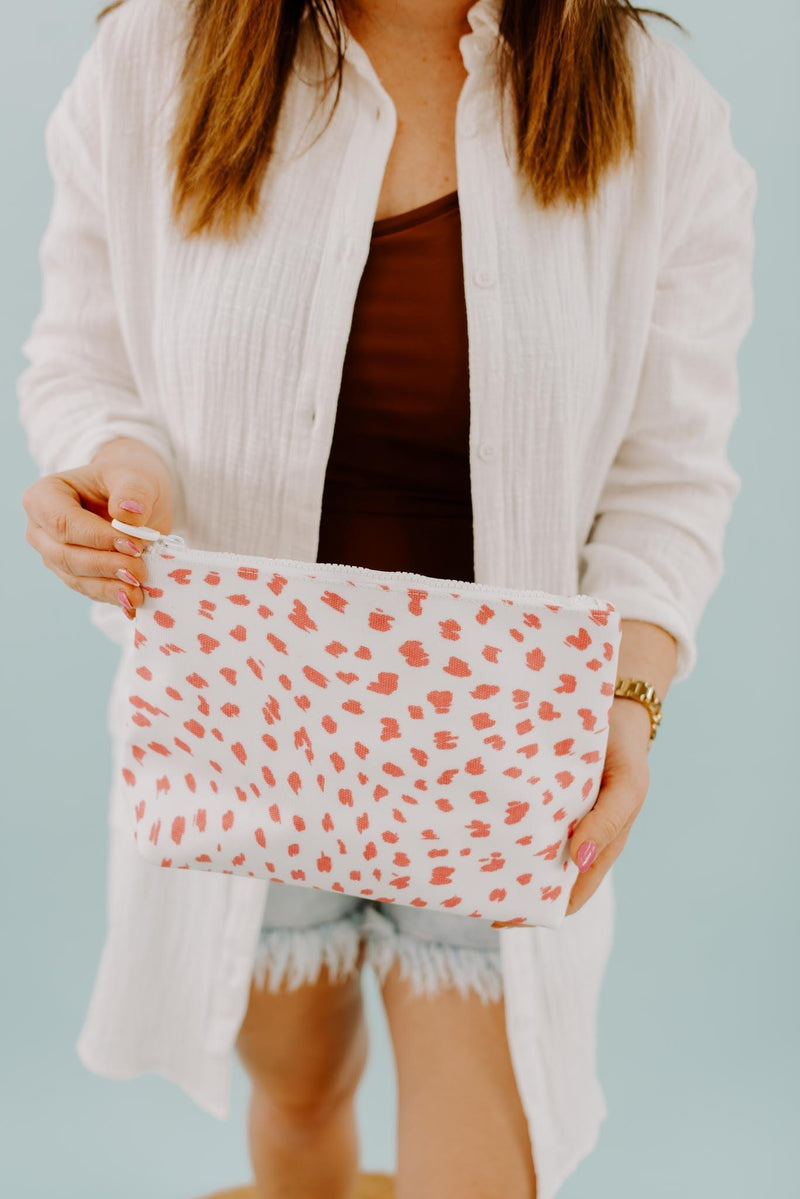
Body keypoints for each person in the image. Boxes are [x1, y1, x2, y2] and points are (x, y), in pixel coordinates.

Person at [16, 1, 756, 1196]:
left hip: (502, 766)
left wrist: (630, 697)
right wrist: (114, 462)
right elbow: (81, 359)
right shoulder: (155, 55)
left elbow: (667, 473)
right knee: (299, 1097)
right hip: (246, 733)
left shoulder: (657, 115)